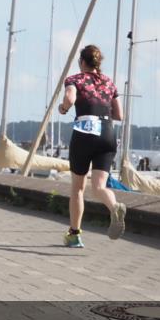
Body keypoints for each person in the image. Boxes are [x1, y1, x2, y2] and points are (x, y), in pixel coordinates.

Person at [58, 44, 127, 248]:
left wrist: (63, 108)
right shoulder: (109, 83)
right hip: (107, 133)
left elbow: (70, 98)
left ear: (82, 62)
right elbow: (119, 115)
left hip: (85, 132)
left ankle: (74, 235)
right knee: (99, 186)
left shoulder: (75, 79)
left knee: (78, 188)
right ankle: (114, 206)